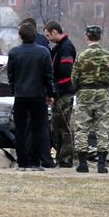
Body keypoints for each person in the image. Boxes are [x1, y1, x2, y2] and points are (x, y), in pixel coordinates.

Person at [6, 21, 56, 171]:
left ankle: (22, 163)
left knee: (20, 129)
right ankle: (35, 162)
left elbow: (11, 75)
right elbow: (49, 75)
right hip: (38, 96)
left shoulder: (14, 52)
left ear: (20, 36)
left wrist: (14, 90)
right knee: (37, 129)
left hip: (21, 95)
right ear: (35, 35)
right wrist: (51, 93)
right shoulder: (43, 52)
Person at [72, 24, 109, 173]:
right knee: (102, 128)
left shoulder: (82, 55)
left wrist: (79, 88)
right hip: (102, 93)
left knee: (81, 128)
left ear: (87, 37)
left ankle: (83, 164)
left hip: (85, 94)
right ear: (100, 36)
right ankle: (102, 164)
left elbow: (74, 78)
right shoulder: (107, 55)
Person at [19, 17, 55, 168]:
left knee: (29, 128)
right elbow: (48, 73)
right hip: (38, 93)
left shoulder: (23, 50)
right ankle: (41, 160)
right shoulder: (43, 47)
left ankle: (29, 160)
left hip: (25, 93)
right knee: (40, 127)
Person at [45, 20, 78, 167]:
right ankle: (59, 158)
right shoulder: (58, 47)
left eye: (48, 35)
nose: (47, 38)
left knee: (63, 127)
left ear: (54, 32)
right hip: (59, 93)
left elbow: (66, 72)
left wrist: (56, 90)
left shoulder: (66, 48)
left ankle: (65, 161)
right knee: (55, 127)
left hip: (64, 94)